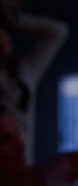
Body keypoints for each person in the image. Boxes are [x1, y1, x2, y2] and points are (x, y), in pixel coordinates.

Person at [0, 0, 68, 164]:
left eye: (3, 30)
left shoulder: (25, 73)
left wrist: (17, 21)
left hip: (24, 172)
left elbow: (59, 32)